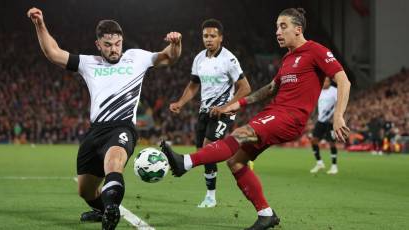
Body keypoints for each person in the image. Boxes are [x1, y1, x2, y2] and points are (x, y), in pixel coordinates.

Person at [161, 8, 350, 230]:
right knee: (236, 162)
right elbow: (270, 89)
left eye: (283, 26)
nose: (277, 32)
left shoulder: (316, 50)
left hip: (289, 117)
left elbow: (343, 79)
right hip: (274, 112)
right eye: (276, 27)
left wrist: (338, 116)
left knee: (239, 134)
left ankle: (186, 163)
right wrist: (237, 104)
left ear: (298, 29)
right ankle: (266, 214)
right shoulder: (289, 58)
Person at [27, 7, 181, 230]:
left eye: (117, 43)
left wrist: (175, 43)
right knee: (86, 191)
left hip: (122, 128)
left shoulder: (136, 58)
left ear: (122, 41)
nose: (114, 49)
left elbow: (168, 57)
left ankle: (111, 211)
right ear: (98, 44)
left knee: (113, 164)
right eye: (108, 45)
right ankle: (102, 208)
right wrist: (39, 24)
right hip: (96, 132)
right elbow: (53, 52)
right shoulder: (88, 63)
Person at [169, 19, 251, 208]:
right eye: (206, 36)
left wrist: (226, 107)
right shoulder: (199, 58)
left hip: (224, 113)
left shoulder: (229, 60)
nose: (209, 39)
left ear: (221, 38)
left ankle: (211, 197)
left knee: (208, 148)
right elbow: (193, 84)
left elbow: (245, 87)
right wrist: (180, 102)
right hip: (205, 111)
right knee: (203, 153)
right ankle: (237, 150)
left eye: (213, 36)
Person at [310, 77, 339, 174]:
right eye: (323, 81)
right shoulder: (319, 91)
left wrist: (336, 117)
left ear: (330, 82)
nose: (323, 83)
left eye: (326, 81)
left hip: (331, 121)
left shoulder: (334, 91)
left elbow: (339, 104)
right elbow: (319, 106)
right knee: (314, 140)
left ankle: (334, 166)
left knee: (332, 142)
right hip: (320, 120)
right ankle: (319, 163)